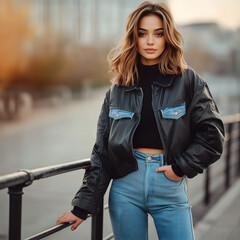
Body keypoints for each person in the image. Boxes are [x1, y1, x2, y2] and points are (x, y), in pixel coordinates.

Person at [56, 1, 225, 239]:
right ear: (133, 38)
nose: (150, 41)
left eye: (158, 34)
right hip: (126, 188)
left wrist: (180, 168)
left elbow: (212, 135)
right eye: (142, 34)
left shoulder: (188, 80)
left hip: (168, 183)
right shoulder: (117, 90)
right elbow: (102, 152)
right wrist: (81, 207)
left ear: (168, 37)